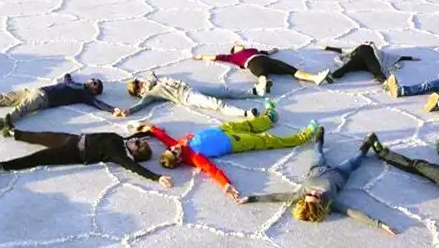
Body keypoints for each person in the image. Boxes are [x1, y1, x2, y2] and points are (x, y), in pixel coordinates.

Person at [138, 98, 320, 201]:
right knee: (266, 140)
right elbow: (212, 171)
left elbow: (165, 139)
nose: (176, 147)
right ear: (178, 160)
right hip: (233, 141)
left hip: (223, 130)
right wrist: (226, 184)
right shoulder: (194, 158)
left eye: (172, 149)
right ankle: (303, 137)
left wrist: (150, 129)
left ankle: (270, 118)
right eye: (175, 152)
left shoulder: (176, 145)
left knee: (250, 124)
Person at [238, 127, 397, 234]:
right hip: (340, 173)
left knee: (318, 152)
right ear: (320, 203)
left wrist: (251, 198)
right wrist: (379, 224)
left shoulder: (299, 195)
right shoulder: (330, 201)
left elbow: (276, 197)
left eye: (310, 194)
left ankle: (319, 136)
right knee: (356, 160)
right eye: (316, 196)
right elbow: (353, 213)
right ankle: (368, 142)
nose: (313, 192)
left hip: (317, 167)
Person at [0, 126, 171, 188]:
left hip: (73, 153)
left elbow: (137, 169)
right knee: (42, 135)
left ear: (135, 154)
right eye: (139, 142)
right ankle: (13, 133)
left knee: (38, 157)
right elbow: (140, 134)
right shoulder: (124, 140)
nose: (136, 141)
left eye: (138, 145)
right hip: (73, 139)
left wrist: (157, 177)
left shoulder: (119, 155)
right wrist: (153, 133)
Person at [0, 73, 114, 132]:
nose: (92, 80)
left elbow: (97, 104)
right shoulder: (76, 85)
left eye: (95, 83)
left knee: (22, 110)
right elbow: (67, 79)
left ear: (94, 91)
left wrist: (114, 110)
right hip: (33, 91)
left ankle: (0, 123)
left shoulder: (84, 95)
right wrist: (68, 75)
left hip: (43, 99)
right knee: (3, 97)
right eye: (93, 79)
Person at [192, 42, 330, 94]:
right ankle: (263, 85)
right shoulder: (232, 57)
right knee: (261, 74)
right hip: (252, 63)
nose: (240, 44)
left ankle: (315, 78)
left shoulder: (253, 49)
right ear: (234, 50)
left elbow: (265, 53)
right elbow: (216, 57)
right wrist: (201, 56)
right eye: (237, 45)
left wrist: (273, 50)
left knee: (291, 70)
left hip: (267, 60)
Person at [114, 72, 260, 119]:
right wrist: (129, 111)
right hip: (186, 97)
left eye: (138, 81)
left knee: (223, 92)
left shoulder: (155, 80)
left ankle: (254, 92)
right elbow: (141, 105)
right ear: (139, 92)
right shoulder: (150, 93)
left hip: (191, 88)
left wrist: (151, 79)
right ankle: (246, 113)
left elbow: (152, 75)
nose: (141, 83)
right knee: (216, 104)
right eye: (137, 85)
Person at [321, 42, 419, 84]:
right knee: (374, 69)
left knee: (348, 67)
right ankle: (384, 81)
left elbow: (342, 50)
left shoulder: (370, 50)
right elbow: (393, 57)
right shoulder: (365, 49)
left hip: (361, 61)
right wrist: (327, 48)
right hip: (361, 60)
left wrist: (328, 48)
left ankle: (332, 76)